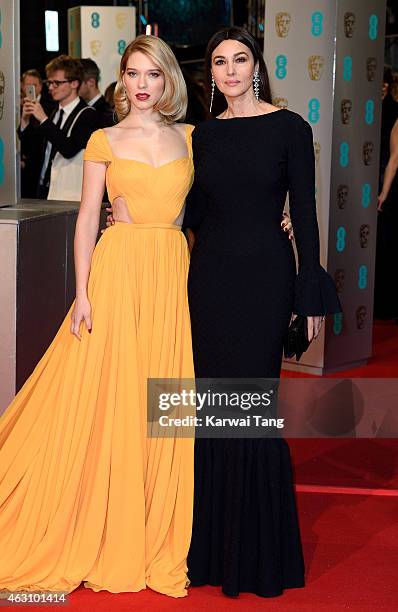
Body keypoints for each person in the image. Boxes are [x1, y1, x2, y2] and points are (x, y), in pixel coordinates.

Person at [0, 35, 195, 597]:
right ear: (120, 80)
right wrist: (82, 293)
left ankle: (153, 523)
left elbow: (227, 196)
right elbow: (88, 219)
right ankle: (102, 523)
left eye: (152, 74)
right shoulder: (103, 138)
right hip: (119, 271)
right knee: (108, 398)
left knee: (161, 402)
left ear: (167, 82)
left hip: (168, 276)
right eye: (132, 73)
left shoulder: (191, 138)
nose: (141, 84)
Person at [183, 27, 341, 598]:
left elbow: (305, 209)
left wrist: (309, 291)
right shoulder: (201, 134)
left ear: (257, 66)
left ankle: (257, 555)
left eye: (239, 59)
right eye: (219, 62)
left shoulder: (290, 128)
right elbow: (193, 210)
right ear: (211, 73)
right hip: (210, 281)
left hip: (266, 279)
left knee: (252, 407)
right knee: (214, 411)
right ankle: (212, 553)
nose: (229, 71)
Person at [19, 55, 98, 201]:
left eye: (57, 83)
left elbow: (69, 149)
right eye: (49, 83)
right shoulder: (52, 111)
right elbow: (33, 150)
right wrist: (25, 121)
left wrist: (43, 119)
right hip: (43, 190)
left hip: (69, 194)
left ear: (74, 83)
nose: (51, 88)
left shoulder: (87, 115)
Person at [374, 67, 398, 320]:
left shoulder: (395, 112)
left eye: (385, 83)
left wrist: (384, 193)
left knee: (386, 245)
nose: (382, 86)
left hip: (387, 186)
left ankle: (387, 306)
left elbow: (395, 158)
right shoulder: (366, 110)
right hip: (371, 183)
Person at [18, 69, 56, 198]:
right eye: (27, 86)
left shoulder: (51, 105)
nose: (30, 89)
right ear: (22, 86)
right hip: (26, 168)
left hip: (42, 166)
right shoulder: (17, 104)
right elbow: (22, 136)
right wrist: (24, 120)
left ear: (40, 86)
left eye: (34, 86)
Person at [79, 59, 115, 127]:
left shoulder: (106, 113)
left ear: (91, 82)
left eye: (78, 82)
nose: (73, 86)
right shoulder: (81, 108)